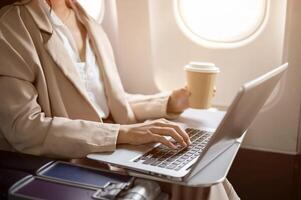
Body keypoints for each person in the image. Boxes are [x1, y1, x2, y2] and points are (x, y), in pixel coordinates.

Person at [0, 0, 239, 199]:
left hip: (110, 148)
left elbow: (106, 102)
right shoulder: (12, 26)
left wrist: (167, 103)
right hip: (70, 158)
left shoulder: (88, 22)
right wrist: (123, 133)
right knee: (197, 182)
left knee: (200, 176)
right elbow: (25, 128)